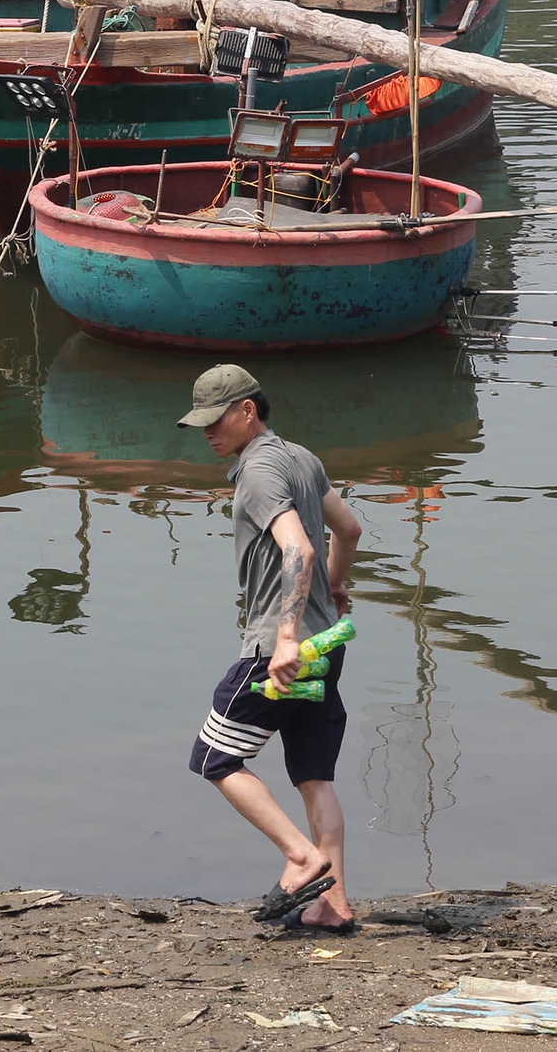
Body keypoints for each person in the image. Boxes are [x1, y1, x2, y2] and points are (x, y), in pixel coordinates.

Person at [179, 364, 363, 934]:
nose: (207, 432)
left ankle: (301, 857)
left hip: (277, 649)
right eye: (201, 423)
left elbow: (298, 550)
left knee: (213, 758)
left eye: (215, 420)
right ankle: (333, 904)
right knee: (314, 776)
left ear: (248, 410)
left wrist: (285, 638)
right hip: (326, 645)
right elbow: (350, 529)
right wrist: (335, 585)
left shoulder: (257, 471)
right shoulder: (301, 459)